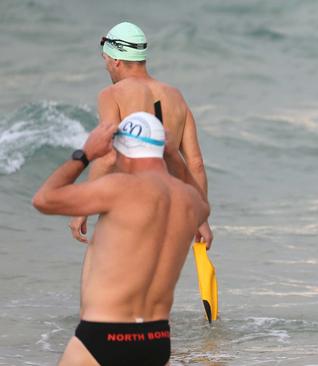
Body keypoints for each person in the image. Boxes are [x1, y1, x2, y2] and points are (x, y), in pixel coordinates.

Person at [33, 112, 210, 365]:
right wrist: (173, 154)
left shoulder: (119, 187)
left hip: (105, 336)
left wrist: (85, 154)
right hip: (156, 340)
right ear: (161, 150)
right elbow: (203, 203)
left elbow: (44, 199)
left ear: (123, 151)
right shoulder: (188, 201)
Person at [68, 21, 212, 248]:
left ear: (115, 59)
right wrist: (200, 217)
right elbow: (196, 165)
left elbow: (108, 156)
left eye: (105, 61)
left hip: (128, 208)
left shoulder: (112, 95)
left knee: (104, 281)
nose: (106, 67)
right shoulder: (176, 97)